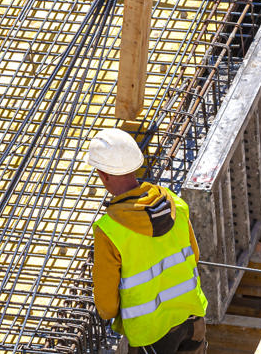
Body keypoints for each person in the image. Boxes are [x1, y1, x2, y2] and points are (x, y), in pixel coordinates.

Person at [87, 128, 208, 353]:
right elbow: (194, 256)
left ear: (104, 175)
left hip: (151, 336)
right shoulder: (175, 204)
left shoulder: (109, 230)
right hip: (192, 319)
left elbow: (107, 306)